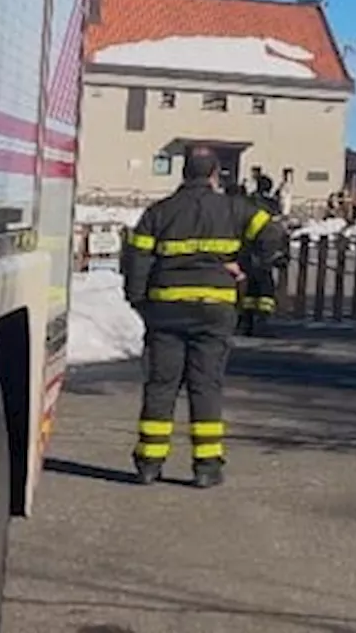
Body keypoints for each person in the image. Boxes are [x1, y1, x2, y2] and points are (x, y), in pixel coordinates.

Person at [120, 146, 285, 488]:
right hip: (214, 311)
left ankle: (149, 463)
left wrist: (140, 301)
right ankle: (206, 466)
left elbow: (136, 259)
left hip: (165, 312)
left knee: (161, 386)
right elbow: (273, 236)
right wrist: (245, 266)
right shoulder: (235, 208)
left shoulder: (158, 212)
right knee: (205, 385)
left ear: (183, 174)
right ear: (214, 175)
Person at [240, 174, 286, 335]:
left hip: (249, 249)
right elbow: (277, 229)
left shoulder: (249, 202)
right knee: (265, 290)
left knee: (252, 288)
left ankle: (247, 322)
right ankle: (261, 323)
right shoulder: (271, 204)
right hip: (266, 249)